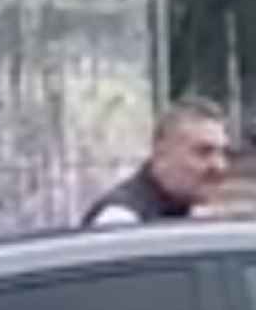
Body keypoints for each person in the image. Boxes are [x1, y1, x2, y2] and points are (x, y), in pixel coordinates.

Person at [81, 96, 229, 228]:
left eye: (222, 153)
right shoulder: (122, 221)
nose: (219, 166)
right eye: (203, 152)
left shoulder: (194, 213)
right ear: (161, 153)